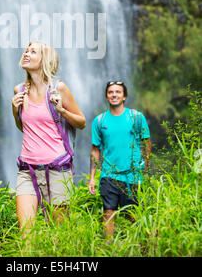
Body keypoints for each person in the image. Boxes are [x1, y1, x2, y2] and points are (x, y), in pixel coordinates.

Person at [12, 41, 86, 234]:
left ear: (44, 60)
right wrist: (14, 110)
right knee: (25, 233)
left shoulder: (58, 89)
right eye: (26, 51)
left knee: (59, 233)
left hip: (57, 169)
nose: (27, 54)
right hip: (27, 169)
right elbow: (24, 127)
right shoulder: (19, 91)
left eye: (33, 52)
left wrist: (62, 110)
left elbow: (81, 122)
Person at [88, 81, 152, 241]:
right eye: (110, 92)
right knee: (108, 213)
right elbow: (95, 150)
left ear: (124, 96)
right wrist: (91, 177)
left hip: (132, 175)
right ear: (106, 96)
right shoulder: (99, 121)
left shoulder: (136, 117)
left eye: (118, 92)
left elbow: (147, 143)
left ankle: (139, 246)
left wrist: (145, 165)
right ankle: (109, 247)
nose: (114, 94)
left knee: (133, 214)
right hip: (109, 175)